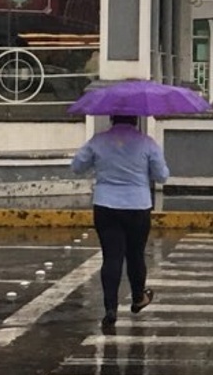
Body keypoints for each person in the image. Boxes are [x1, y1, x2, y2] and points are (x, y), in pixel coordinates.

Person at [71, 115, 170, 328]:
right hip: (138, 206)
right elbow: (162, 175)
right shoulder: (147, 143)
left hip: (106, 206)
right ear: (135, 119)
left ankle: (110, 308)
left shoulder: (98, 141)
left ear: (111, 118)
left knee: (111, 257)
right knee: (135, 255)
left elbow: (77, 166)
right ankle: (137, 297)